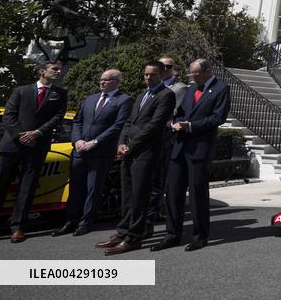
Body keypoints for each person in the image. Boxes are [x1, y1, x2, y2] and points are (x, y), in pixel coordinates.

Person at [97, 61, 176, 255]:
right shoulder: (141, 95)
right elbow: (129, 122)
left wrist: (131, 145)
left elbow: (154, 126)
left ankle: (134, 237)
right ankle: (123, 231)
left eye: (153, 75)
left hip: (146, 153)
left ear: (162, 75)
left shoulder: (166, 95)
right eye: (146, 75)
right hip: (130, 152)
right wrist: (122, 143)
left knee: (140, 196)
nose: (148, 78)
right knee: (128, 196)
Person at [152, 58, 230, 252]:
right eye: (192, 74)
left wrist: (192, 126)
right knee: (173, 192)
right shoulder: (189, 89)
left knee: (197, 194)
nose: (194, 77)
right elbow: (180, 113)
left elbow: (218, 118)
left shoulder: (221, 89)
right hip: (179, 146)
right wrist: (175, 123)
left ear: (208, 71)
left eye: (197, 73)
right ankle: (172, 234)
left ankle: (200, 236)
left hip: (199, 148)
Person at [0, 60, 67, 243]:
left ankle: (17, 227)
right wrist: (21, 135)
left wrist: (37, 133)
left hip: (37, 146)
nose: (59, 72)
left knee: (27, 188)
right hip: (11, 145)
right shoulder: (21, 91)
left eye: (60, 70)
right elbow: (8, 115)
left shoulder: (60, 94)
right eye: (55, 69)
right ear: (42, 71)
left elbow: (58, 117)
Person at [54, 69, 132, 237]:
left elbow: (118, 125)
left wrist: (95, 142)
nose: (102, 82)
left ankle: (86, 222)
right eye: (101, 79)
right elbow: (77, 121)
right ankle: (71, 221)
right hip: (80, 150)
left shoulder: (124, 100)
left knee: (93, 188)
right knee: (75, 187)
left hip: (101, 151)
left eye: (107, 79)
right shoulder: (90, 99)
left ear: (117, 81)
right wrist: (77, 140)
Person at [146, 57, 186, 227]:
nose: (163, 68)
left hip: (166, 137)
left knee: (159, 179)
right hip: (149, 137)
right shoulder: (152, 88)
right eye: (160, 65)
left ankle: (153, 214)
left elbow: (175, 112)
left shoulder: (180, 88)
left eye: (167, 66)